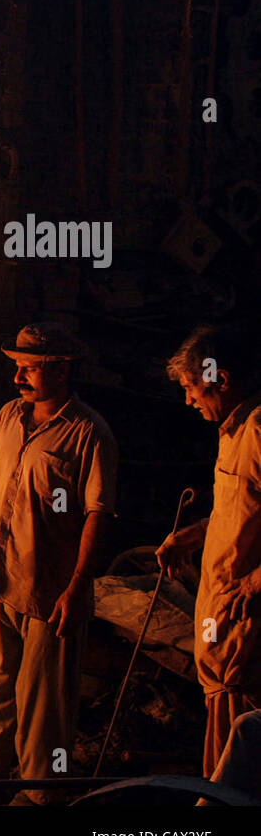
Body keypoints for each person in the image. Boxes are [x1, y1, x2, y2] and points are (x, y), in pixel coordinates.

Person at [0, 323, 118, 804]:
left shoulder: (89, 432)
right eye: (16, 368)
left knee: (43, 703)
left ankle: (39, 793)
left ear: (62, 371)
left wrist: (75, 587)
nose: (18, 378)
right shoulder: (8, 417)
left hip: (48, 589)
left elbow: (97, 513)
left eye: (29, 369)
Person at [158, 322, 261, 779]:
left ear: (221, 379)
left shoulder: (259, 429)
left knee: (242, 747)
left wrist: (258, 578)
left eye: (191, 387)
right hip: (222, 618)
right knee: (227, 739)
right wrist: (197, 531)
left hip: (245, 624)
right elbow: (244, 510)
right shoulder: (231, 430)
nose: (188, 399)